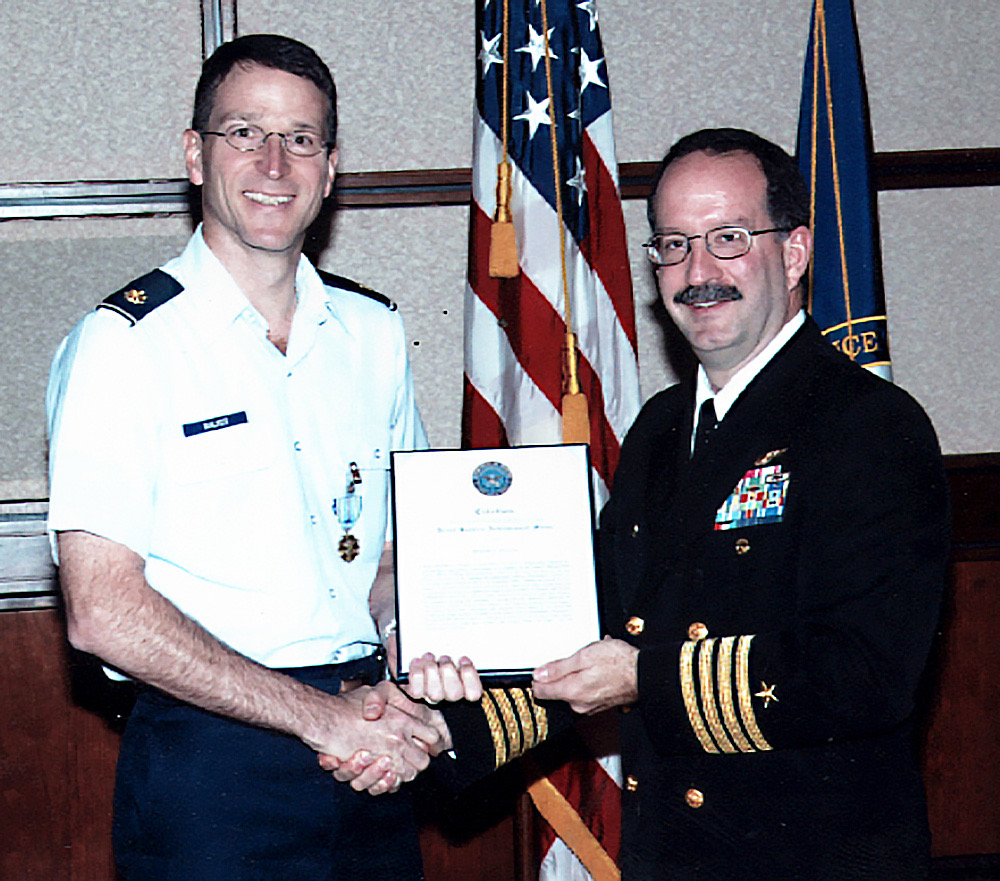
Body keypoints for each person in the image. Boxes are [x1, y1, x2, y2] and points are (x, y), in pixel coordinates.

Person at [370, 128, 951, 880]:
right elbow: (593, 632)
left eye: (728, 238)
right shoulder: (660, 429)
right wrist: (438, 729)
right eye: (673, 245)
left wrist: (648, 678)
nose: (697, 271)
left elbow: (866, 672)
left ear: (796, 251)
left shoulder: (870, 425)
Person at [46, 34, 445, 881]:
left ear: (330, 168)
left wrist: (404, 646)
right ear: (195, 154)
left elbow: (385, 554)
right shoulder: (125, 344)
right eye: (243, 133)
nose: (274, 162)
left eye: (301, 138)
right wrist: (318, 717)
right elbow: (102, 612)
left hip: (369, 742)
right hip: (211, 764)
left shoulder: (374, 334)